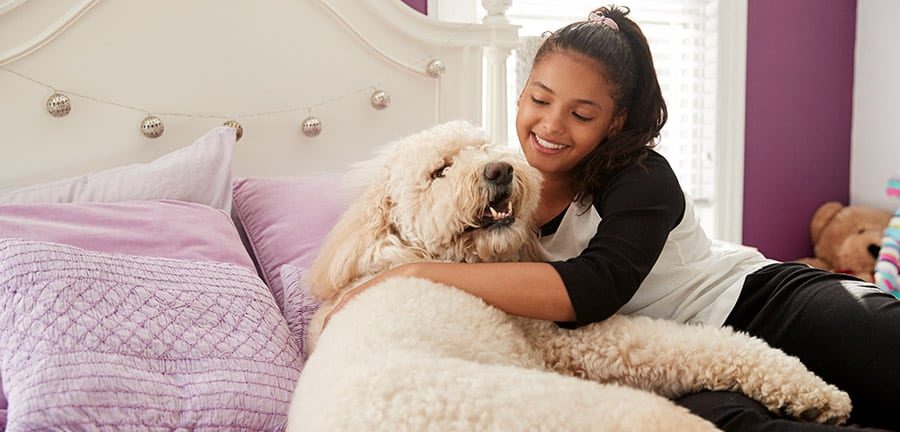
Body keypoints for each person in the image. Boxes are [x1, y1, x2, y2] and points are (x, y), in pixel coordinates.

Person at [325, 5, 900, 431]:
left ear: (616, 122)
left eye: (581, 113)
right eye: (539, 99)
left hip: (761, 300)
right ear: (520, 94)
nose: (551, 125)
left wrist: (415, 275)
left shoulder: (641, 177)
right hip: (674, 358)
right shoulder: (493, 189)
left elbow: (593, 289)